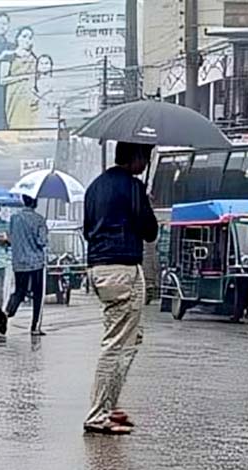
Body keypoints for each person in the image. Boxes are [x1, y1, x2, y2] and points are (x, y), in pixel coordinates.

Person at [82, 142, 158, 435]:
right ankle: (97, 414)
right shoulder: (134, 188)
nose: (146, 162)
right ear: (136, 157)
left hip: (101, 267)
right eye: (146, 157)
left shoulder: (95, 187)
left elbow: (88, 229)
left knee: (130, 338)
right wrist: (144, 201)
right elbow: (150, 231)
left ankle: (109, 406)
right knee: (116, 343)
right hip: (122, 268)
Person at [0, 195, 48, 337]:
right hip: (36, 262)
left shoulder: (15, 219)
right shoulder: (39, 219)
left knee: (19, 291)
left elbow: (11, 238)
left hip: (19, 262)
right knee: (38, 295)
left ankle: (7, 313)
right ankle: (35, 327)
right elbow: (42, 241)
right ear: (35, 203)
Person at [1, 27, 38, 129]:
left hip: (29, 96)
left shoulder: (33, 58)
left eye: (30, 37)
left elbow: (35, 79)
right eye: (24, 36)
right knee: (15, 124)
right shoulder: (9, 56)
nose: (27, 40)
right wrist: (21, 77)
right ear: (17, 38)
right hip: (15, 95)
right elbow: (2, 80)